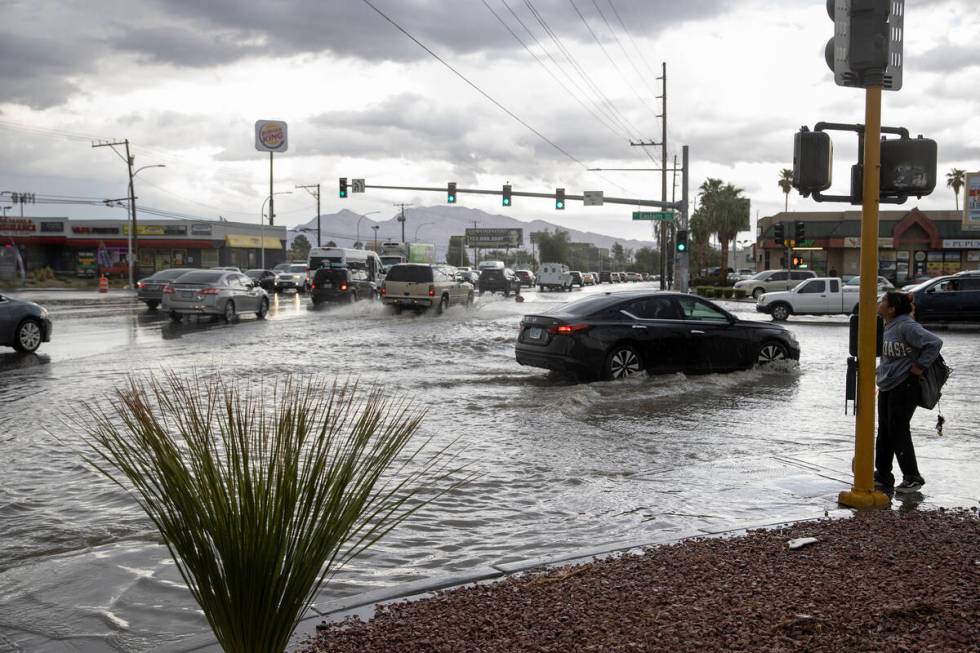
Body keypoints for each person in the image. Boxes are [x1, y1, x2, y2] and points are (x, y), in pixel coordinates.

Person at [874, 290, 943, 494]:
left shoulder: (906, 325)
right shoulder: (889, 325)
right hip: (888, 385)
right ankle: (883, 475)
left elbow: (934, 343)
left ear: (892, 308)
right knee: (884, 430)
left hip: (905, 385)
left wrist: (919, 366)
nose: (879, 303)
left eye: (883, 301)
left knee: (898, 430)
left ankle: (913, 477)